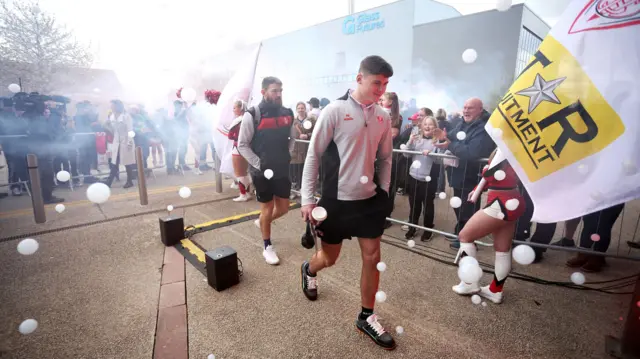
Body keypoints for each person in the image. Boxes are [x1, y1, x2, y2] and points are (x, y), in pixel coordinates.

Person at [300, 55, 397, 350]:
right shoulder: (335, 110)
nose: (381, 89)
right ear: (359, 78)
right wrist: (306, 199)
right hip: (335, 202)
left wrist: (384, 191)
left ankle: (366, 316)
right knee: (329, 259)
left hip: (369, 202)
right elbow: (313, 156)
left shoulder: (383, 116)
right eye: (376, 83)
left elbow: (386, 159)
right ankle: (309, 270)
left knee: (372, 257)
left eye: (385, 84)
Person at [451, 149, 526, 304]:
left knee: (465, 236)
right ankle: (495, 290)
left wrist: (482, 181)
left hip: (501, 202)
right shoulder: (512, 150)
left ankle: (469, 283)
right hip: (510, 200)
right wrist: (477, 189)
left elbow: (491, 174)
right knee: (502, 249)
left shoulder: (508, 150)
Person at [237, 76, 296, 265]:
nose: (278, 94)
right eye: (274, 91)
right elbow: (242, 144)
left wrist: (288, 153)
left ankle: (263, 221)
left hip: (282, 168)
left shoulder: (288, 112)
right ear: (263, 92)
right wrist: (258, 163)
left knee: (284, 208)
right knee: (267, 208)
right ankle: (267, 246)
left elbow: (292, 137)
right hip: (261, 172)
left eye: (280, 90)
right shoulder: (252, 114)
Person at [433, 98, 495, 249]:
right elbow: (452, 136)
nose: (466, 110)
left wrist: (451, 144)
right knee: (458, 206)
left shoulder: (484, 127)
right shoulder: (462, 123)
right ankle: (460, 231)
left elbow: (473, 152)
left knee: (468, 208)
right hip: (457, 174)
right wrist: (443, 136)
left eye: (470, 108)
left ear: (480, 110)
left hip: (471, 175)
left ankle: (469, 239)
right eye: (465, 107)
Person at [402, 116, 441, 241]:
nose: (427, 126)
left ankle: (428, 229)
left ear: (435, 127)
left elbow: (439, 160)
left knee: (428, 205)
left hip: (429, 179)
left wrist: (432, 154)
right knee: (414, 204)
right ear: (422, 126)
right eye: (425, 124)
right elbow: (406, 154)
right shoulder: (417, 139)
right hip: (414, 176)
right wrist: (410, 141)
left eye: (430, 124)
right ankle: (412, 227)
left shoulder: (437, 141)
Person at [227, 99, 252, 202]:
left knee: (239, 173)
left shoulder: (238, 121)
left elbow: (230, 136)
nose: (233, 110)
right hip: (247, 147)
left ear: (240, 108)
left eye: (234, 107)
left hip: (238, 148)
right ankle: (247, 192)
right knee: (244, 172)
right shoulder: (248, 119)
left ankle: (243, 194)